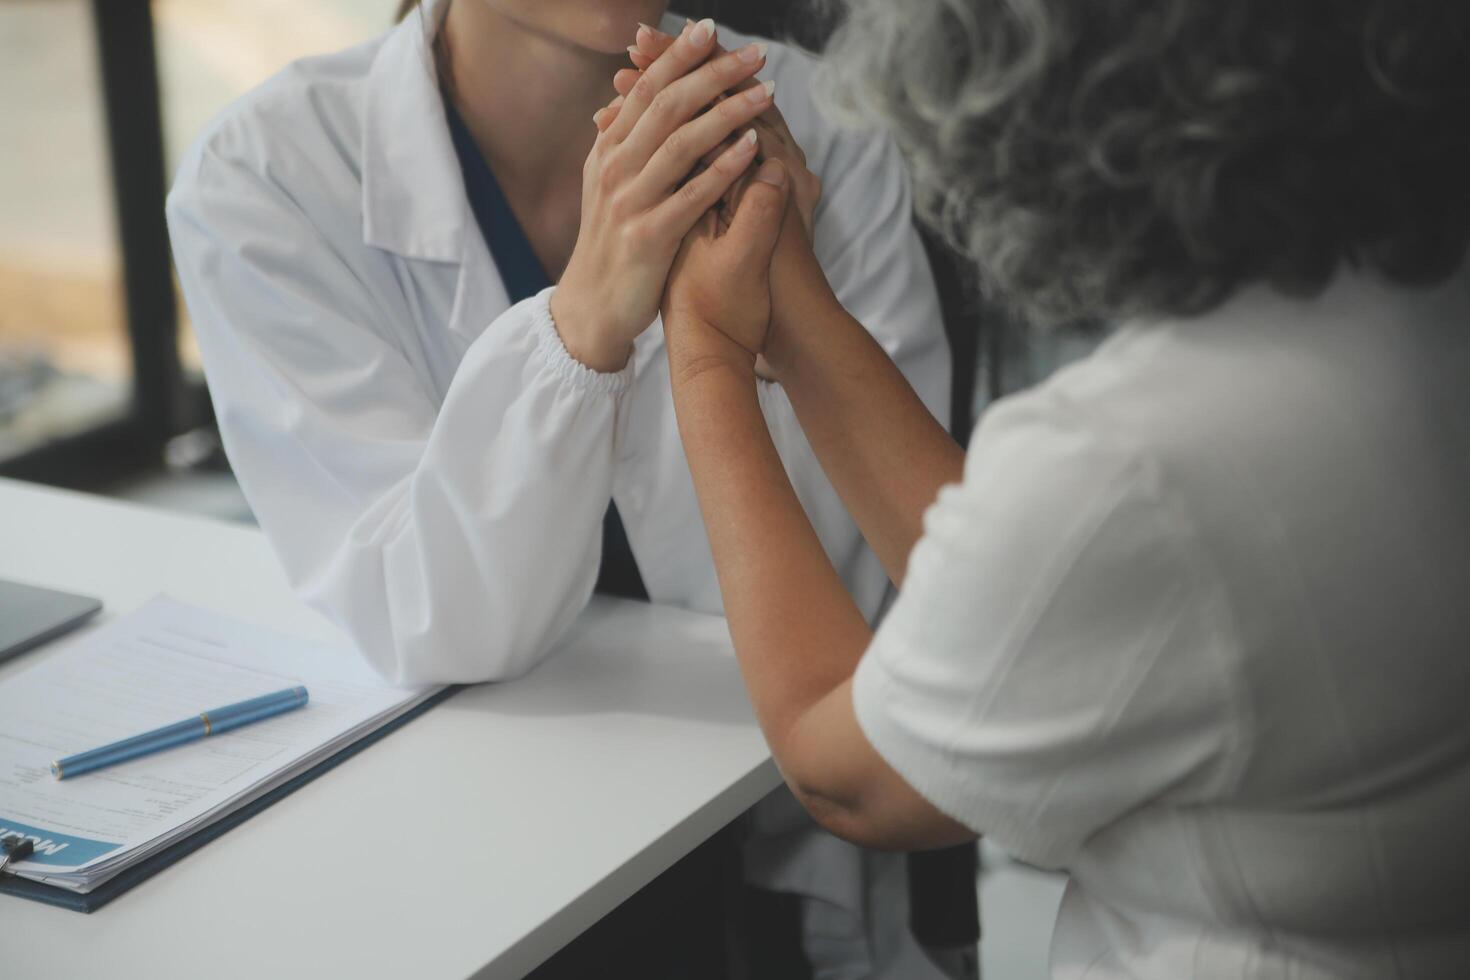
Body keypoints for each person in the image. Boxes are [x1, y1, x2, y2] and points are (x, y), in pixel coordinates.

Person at [646, 0, 1470, 976]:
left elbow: (847, 781)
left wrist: (701, 345)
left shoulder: (1137, 461)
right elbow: (1039, 587)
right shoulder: (1404, 306)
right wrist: (788, 302)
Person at [165, 0, 969, 976]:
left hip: (786, 857)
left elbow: (917, 589)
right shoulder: (264, 180)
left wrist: (784, 318)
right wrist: (584, 317)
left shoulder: (820, 126)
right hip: (474, 866)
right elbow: (430, 620)